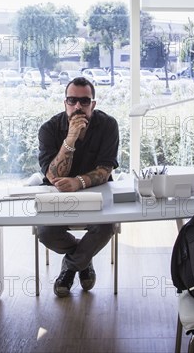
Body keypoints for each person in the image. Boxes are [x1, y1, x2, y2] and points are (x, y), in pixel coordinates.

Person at [37, 76, 119, 297]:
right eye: (72, 100)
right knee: (45, 232)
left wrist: (79, 182)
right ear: (65, 102)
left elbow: (105, 169)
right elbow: (53, 176)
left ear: (93, 104)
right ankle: (84, 261)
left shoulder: (108, 125)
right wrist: (70, 140)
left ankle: (69, 268)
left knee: (105, 227)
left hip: (98, 197)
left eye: (84, 101)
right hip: (58, 198)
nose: (77, 106)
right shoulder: (49, 129)